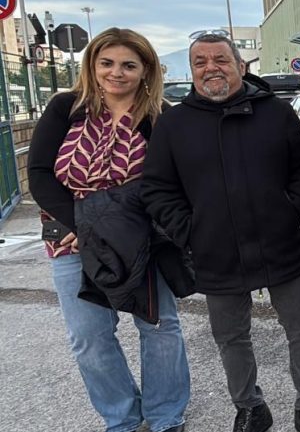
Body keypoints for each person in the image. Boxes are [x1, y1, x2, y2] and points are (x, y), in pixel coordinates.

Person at [141, 34, 300, 432]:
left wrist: (292, 207)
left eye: (220, 59)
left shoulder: (276, 113)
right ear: (190, 70)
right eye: (199, 62)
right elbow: (158, 188)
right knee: (231, 337)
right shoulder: (174, 124)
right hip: (216, 252)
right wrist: (189, 231)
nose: (210, 68)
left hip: (281, 245)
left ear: (241, 66)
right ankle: (249, 407)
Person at [28, 27, 191, 432]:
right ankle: (121, 418)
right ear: (92, 64)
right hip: (71, 238)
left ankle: (166, 416)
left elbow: (170, 182)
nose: (116, 73)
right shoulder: (65, 107)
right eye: (107, 63)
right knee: (89, 337)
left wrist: (107, 224)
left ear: (146, 70)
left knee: (160, 327)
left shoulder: (160, 117)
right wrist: (80, 224)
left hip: (142, 238)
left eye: (128, 65)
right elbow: (40, 174)